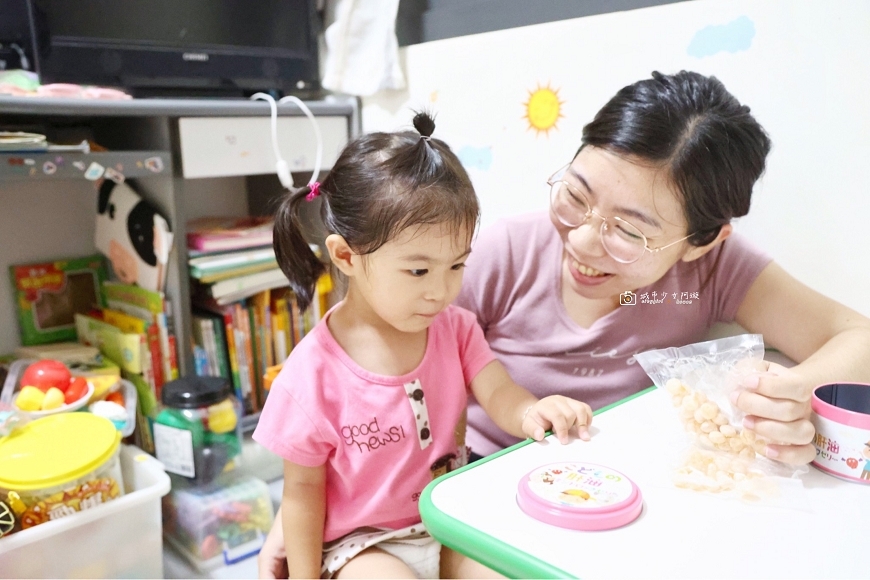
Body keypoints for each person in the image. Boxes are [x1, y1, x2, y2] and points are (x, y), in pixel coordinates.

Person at [259, 70, 870, 577]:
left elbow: (857, 337)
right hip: (480, 498)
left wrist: (794, 394)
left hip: (616, 503)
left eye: (630, 231)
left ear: (701, 242)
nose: (581, 241)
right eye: (575, 195)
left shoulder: (714, 273)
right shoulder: (496, 255)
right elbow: (359, 364)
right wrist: (298, 510)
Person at [253, 111, 592, 579]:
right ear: (346, 256)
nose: (441, 291)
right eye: (418, 271)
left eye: (456, 266)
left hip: (450, 515)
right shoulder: (311, 375)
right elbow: (302, 492)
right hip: (362, 544)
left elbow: (497, 391)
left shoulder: (455, 328)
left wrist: (531, 412)